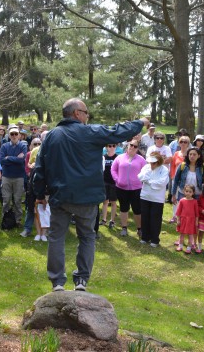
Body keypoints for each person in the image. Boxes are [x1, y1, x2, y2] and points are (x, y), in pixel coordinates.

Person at [33, 98, 148, 292]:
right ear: (77, 113)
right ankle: (81, 281)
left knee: (57, 237)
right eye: (86, 112)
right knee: (87, 237)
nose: (88, 116)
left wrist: (39, 193)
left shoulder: (52, 136)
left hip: (60, 195)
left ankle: (57, 282)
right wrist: (140, 122)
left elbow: (39, 168)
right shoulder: (89, 132)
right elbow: (117, 131)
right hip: (86, 197)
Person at [110, 139, 147, 235]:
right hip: (121, 188)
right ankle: (124, 227)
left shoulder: (141, 159)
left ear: (137, 148)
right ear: (127, 145)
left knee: (137, 209)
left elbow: (146, 172)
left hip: (136, 188)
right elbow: (113, 169)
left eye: (135, 146)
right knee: (123, 208)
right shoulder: (119, 157)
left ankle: (139, 228)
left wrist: (140, 180)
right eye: (131, 145)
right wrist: (117, 179)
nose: (132, 147)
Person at [138, 152, 169, 247]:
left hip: (157, 198)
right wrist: (150, 180)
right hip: (145, 196)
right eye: (151, 163)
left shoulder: (164, 169)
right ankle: (145, 237)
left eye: (154, 163)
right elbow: (140, 177)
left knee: (155, 218)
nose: (152, 165)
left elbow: (161, 183)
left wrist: (149, 182)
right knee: (145, 217)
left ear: (159, 162)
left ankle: (155, 239)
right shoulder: (146, 167)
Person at [0, 126, 27, 227]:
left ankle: (18, 220)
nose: (14, 136)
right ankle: (5, 219)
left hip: (19, 177)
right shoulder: (4, 146)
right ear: (9, 136)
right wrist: (15, 159)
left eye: (16, 134)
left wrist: (9, 158)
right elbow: (2, 160)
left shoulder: (23, 146)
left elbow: (21, 161)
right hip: (6, 176)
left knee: (18, 200)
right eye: (12, 134)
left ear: (19, 135)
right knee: (6, 200)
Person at [175, 184, 200, 254]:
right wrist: (178, 220)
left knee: (190, 235)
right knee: (182, 234)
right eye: (187, 191)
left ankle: (189, 248)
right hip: (183, 220)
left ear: (193, 193)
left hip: (191, 221)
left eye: (190, 192)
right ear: (184, 191)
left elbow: (196, 213)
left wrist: (196, 221)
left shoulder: (195, 201)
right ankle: (180, 245)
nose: (188, 193)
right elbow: (178, 212)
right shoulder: (182, 201)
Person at [101, 144, 119, 226]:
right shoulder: (103, 157)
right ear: (106, 147)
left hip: (114, 183)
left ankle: (112, 220)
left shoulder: (118, 158)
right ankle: (104, 219)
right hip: (105, 182)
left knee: (113, 202)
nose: (111, 147)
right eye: (109, 146)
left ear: (116, 147)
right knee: (105, 201)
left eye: (113, 146)